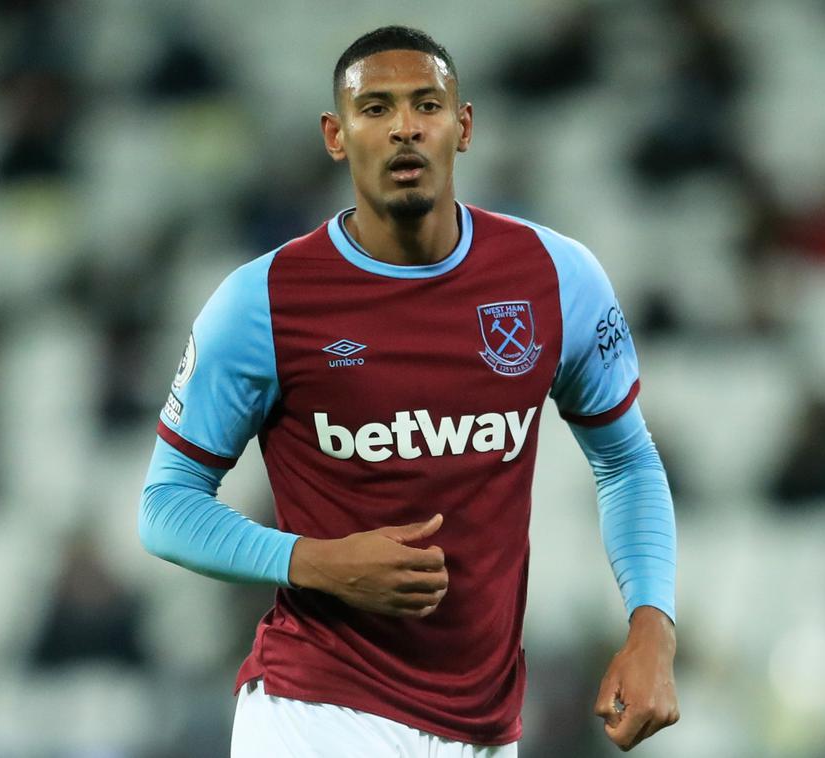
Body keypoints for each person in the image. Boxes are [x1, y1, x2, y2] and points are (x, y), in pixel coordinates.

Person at [138, 25, 678, 756]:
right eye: (375, 109)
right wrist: (318, 562)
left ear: (464, 126)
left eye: (426, 105)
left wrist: (652, 623)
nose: (403, 128)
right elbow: (165, 505)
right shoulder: (263, 302)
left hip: (484, 730)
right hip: (315, 713)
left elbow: (626, 460)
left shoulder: (555, 278)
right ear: (336, 135)